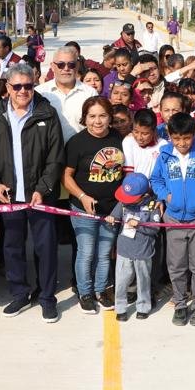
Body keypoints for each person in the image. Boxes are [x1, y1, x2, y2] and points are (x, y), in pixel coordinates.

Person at [0, 64, 65, 323]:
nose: (22, 91)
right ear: (7, 87)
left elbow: (55, 157)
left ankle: (47, 298)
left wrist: (42, 188)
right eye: (17, 86)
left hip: (40, 196)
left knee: (45, 247)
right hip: (9, 197)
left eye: (28, 86)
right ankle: (20, 294)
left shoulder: (47, 113)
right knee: (13, 247)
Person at [150, 112, 195, 327]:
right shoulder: (164, 155)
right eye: (177, 138)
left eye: (186, 138)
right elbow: (156, 179)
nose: (182, 143)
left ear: (193, 135)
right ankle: (180, 304)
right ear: (170, 136)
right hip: (173, 218)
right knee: (176, 265)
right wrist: (166, 196)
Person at [64, 96, 125, 312]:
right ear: (85, 118)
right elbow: (66, 177)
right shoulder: (76, 142)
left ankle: (101, 290)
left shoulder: (119, 138)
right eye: (92, 116)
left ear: (110, 117)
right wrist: (82, 196)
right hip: (83, 209)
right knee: (86, 252)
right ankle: (85, 292)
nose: (97, 121)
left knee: (105, 252)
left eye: (102, 116)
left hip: (112, 208)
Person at [107, 172, 160, 322]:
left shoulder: (152, 206)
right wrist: (111, 219)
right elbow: (115, 217)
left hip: (143, 250)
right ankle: (120, 308)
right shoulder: (123, 203)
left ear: (143, 195)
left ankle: (143, 307)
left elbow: (155, 229)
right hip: (124, 249)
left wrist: (140, 225)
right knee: (121, 281)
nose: (126, 199)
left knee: (143, 280)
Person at [37, 46, 97, 141]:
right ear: (52, 66)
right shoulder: (40, 93)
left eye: (71, 64)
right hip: (49, 149)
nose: (66, 68)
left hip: (82, 148)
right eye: (61, 65)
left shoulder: (90, 93)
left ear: (77, 66)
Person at [123, 109, 163, 178]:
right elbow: (128, 173)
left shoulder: (162, 145)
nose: (139, 137)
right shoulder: (128, 141)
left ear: (154, 131)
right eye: (136, 132)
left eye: (145, 134)